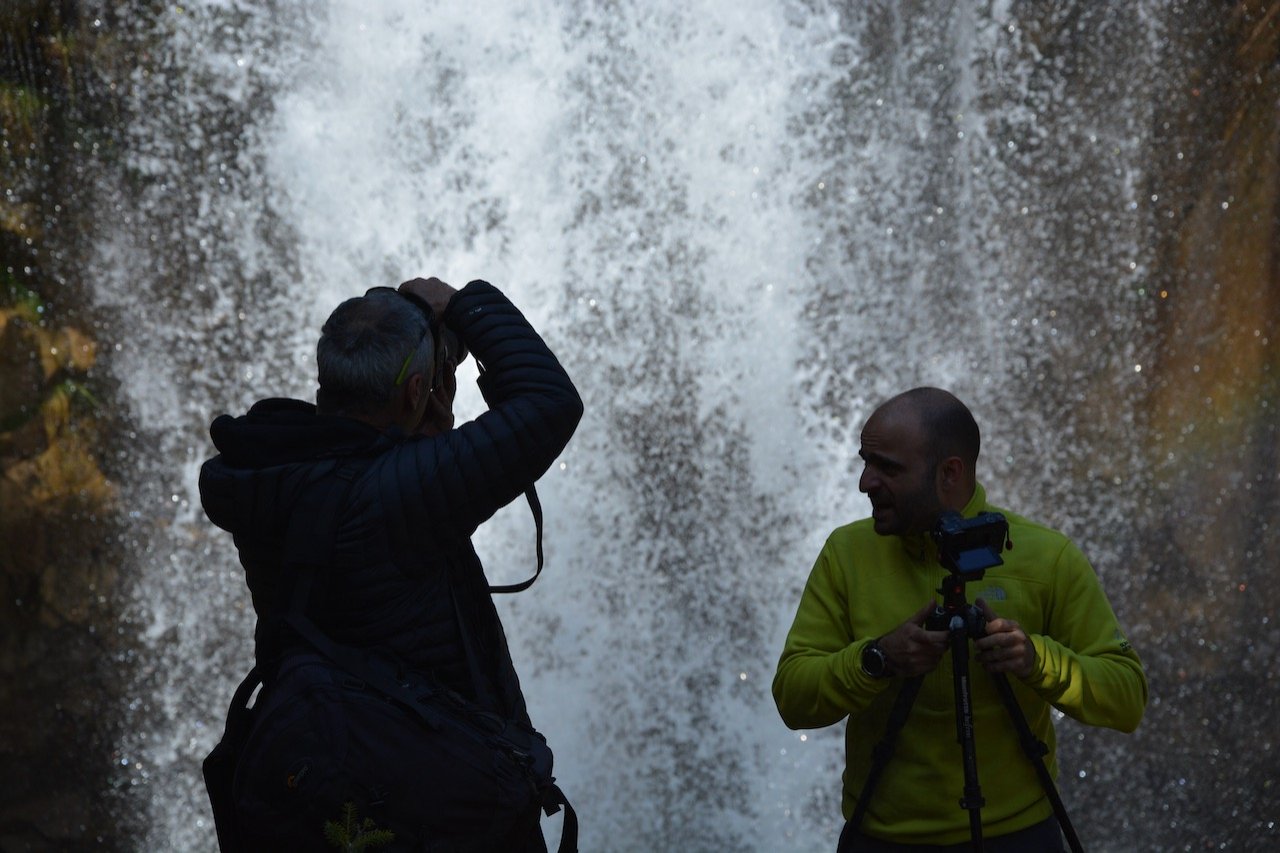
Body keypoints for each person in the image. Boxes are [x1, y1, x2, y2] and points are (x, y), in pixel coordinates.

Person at [199, 276, 583, 850]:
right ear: (416, 391)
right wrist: (464, 304)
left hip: (335, 788)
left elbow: (356, 474)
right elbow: (549, 403)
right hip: (441, 805)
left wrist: (416, 424)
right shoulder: (405, 495)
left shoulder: (268, 473)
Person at [771, 387, 1147, 852]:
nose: (865, 482)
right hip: (884, 838)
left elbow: (1128, 697)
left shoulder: (1046, 558)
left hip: (1017, 836)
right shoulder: (846, 554)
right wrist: (876, 659)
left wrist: (1036, 660)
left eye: (887, 467)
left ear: (950, 472)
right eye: (865, 461)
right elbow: (792, 698)